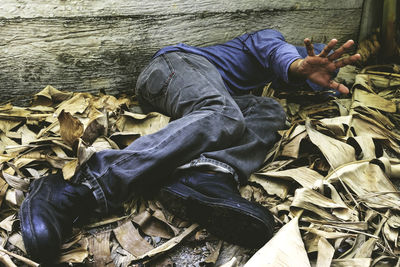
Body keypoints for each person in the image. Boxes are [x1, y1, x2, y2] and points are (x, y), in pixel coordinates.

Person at [19, 29, 360, 263]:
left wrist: (313, 81)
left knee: (267, 110)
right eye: (309, 60)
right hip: (173, 68)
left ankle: (205, 176)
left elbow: (288, 79)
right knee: (224, 113)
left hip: (203, 98)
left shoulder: (265, 87)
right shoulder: (268, 41)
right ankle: (78, 190)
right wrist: (297, 64)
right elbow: (278, 52)